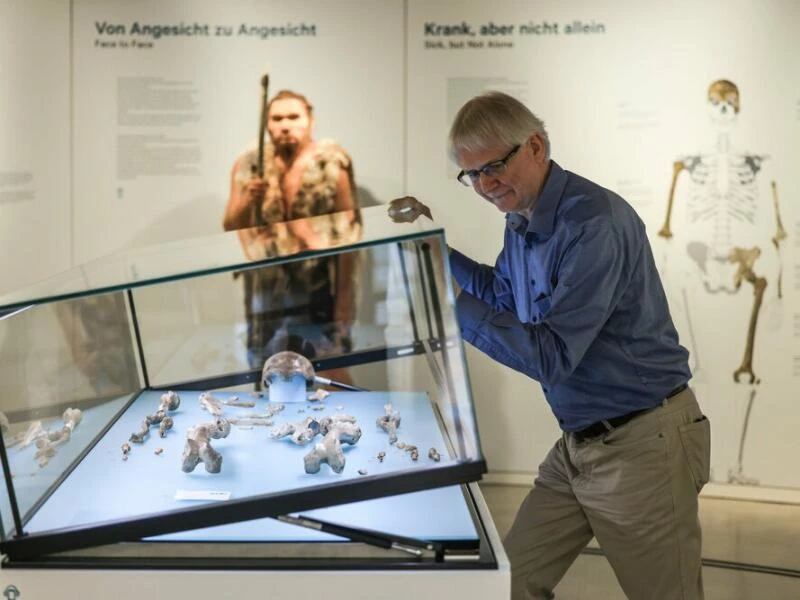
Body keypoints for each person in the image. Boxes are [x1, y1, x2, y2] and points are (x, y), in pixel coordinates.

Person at [399, 91, 711, 599]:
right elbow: (502, 293)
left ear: (536, 146)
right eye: (472, 174)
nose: (485, 185)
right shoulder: (525, 220)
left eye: (494, 167)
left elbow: (553, 356)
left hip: (642, 446)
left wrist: (450, 301)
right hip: (579, 446)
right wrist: (433, 247)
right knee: (509, 584)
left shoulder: (593, 225)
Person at [223, 89, 359, 381]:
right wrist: (249, 197)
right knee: (269, 370)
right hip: (265, 290)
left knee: (327, 369)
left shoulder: (331, 161)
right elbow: (230, 223)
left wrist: (345, 296)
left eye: (293, 117)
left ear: (310, 120)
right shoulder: (249, 163)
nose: (285, 125)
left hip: (320, 286)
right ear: (267, 124)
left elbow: (351, 233)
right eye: (277, 118)